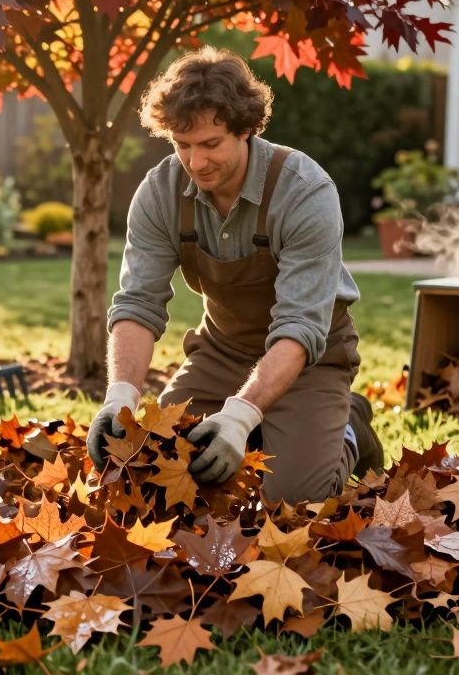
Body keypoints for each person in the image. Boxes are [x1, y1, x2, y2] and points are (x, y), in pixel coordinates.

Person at [87, 46, 382, 504]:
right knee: (161, 472)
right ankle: (264, 433)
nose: (196, 162)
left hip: (309, 360)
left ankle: (349, 430)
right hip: (221, 351)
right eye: (182, 144)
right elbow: (137, 305)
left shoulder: (304, 191)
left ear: (245, 130)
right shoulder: (160, 192)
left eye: (210, 144)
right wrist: (120, 394)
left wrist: (241, 415)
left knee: (294, 501)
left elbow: (302, 326)